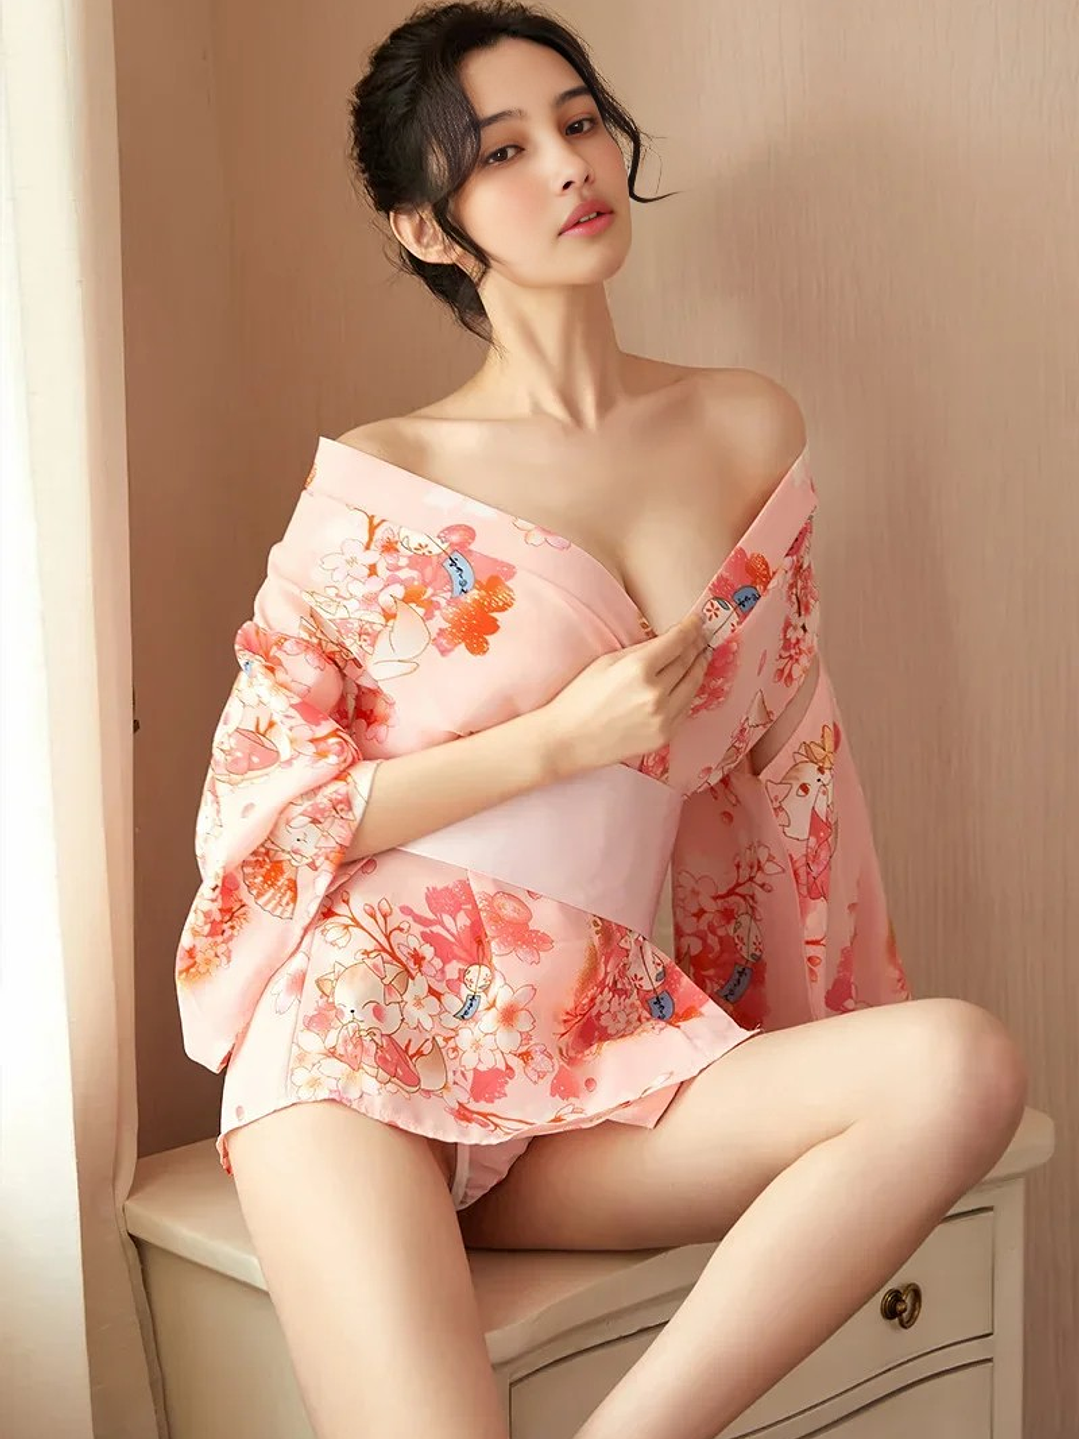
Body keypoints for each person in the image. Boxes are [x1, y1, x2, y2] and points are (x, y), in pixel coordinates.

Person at [174, 5, 1028, 1438]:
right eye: (502, 151)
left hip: (599, 1045)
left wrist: (799, 1016)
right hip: (361, 1037)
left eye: (579, 123)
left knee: (961, 1067)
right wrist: (557, 742)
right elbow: (262, 819)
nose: (570, 165)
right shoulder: (384, 481)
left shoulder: (746, 426)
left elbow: (786, 773)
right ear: (427, 228)